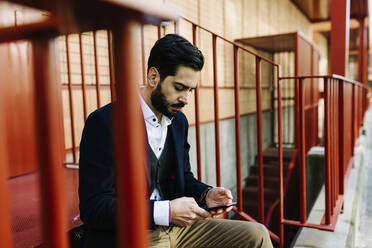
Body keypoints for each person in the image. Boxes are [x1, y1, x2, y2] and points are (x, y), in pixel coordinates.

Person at [78, 34, 273, 248]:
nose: (186, 99)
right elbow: (94, 207)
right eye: (180, 87)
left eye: (190, 90)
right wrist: (166, 211)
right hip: (132, 235)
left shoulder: (178, 121)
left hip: (179, 231)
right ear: (153, 77)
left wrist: (206, 194)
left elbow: (184, 177)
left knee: (257, 235)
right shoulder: (105, 122)